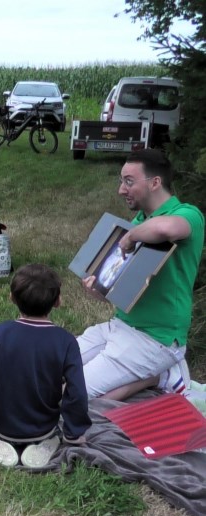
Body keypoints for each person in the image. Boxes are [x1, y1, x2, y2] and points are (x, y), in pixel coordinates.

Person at [77, 150, 205, 400]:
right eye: (121, 181)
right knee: (52, 369)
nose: (121, 190)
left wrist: (131, 236)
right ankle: (158, 376)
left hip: (156, 339)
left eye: (129, 181)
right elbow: (124, 288)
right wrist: (99, 290)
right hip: (120, 326)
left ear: (155, 182)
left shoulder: (188, 215)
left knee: (75, 396)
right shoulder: (139, 221)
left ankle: (161, 375)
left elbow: (167, 229)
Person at [0, 264, 90, 468]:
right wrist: (75, 432)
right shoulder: (66, 341)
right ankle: (52, 439)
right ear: (58, 301)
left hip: (1, 426)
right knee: (56, 420)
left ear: (12, 298)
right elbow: (76, 392)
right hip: (43, 428)